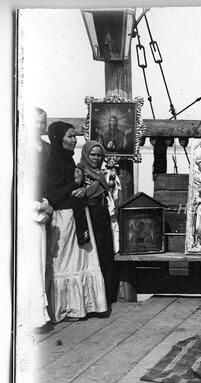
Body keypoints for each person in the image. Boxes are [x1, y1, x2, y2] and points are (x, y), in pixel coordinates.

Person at [43, 122, 107, 322]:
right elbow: (52, 194)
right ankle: (66, 309)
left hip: (76, 214)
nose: (74, 140)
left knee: (80, 260)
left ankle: (82, 306)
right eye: (70, 136)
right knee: (65, 262)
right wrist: (75, 183)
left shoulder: (69, 160)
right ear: (57, 138)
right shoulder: (53, 161)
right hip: (63, 218)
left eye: (74, 136)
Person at [21, 107, 53, 328]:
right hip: (28, 207)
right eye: (36, 122)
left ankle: (38, 317)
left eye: (43, 122)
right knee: (28, 263)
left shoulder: (48, 149)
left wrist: (47, 204)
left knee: (40, 262)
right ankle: (26, 317)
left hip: (44, 205)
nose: (40, 126)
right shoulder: (20, 147)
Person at [76, 140, 118, 305]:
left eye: (99, 155)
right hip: (88, 214)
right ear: (86, 154)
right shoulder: (79, 171)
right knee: (91, 255)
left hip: (101, 213)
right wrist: (84, 191)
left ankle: (107, 295)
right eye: (92, 154)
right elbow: (74, 191)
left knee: (105, 252)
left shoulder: (102, 173)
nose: (95, 158)